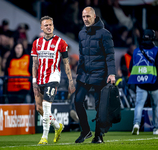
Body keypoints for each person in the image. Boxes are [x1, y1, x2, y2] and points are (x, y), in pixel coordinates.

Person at [31, 16, 76, 144]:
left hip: (53, 77)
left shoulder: (61, 42)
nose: (49, 27)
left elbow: (66, 63)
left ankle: (44, 137)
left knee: (46, 105)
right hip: (39, 78)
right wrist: (34, 81)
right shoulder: (36, 43)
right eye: (46, 25)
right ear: (41, 27)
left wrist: (70, 81)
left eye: (50, 24)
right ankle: (57, 126)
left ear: (53, 26)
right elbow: (34, 64)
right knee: (39, 108)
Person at [74, 7, 116, 143]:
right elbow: (82, 55)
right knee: (78, 101)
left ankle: (98, 135)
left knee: (99, 106)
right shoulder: (81, 33)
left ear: (94, 16)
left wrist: (112, 74)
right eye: (83, 17)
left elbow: (110, 56)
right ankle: (86, 131)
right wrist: (78, 71)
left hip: (100, 74)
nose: (85, 19)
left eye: (88, 16)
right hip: (84, 75)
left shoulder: (105, 34)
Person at [128, 29, 158, 135]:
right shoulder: (156, 50)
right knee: (156, 106)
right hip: (154, 83)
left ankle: (136, 125)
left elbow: (131, 67)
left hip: (140, 83)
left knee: (139, 104)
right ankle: (156, 128)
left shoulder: (136, 51)